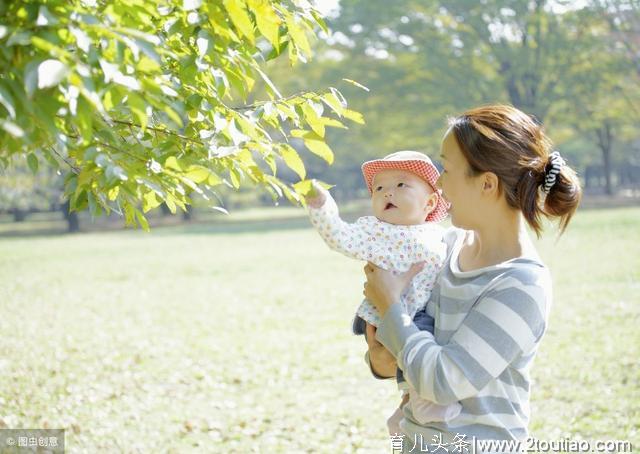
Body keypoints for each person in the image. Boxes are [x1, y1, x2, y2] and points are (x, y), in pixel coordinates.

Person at [362, 105, 582, 452]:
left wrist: (390, 306)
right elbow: (387, 360)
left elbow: (442, 381)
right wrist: (383, 353)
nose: (437, 182)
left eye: (447, 169)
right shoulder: (443, 249)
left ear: (487, 183)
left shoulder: (521, 286)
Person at [304, 151, 462, 435]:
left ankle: (409, 406)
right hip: (387, 315)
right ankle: (415, 405)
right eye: (379, 188)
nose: (388, 192)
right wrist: (321, 206)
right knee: (415, 356)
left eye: (401, 185)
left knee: (426, 352)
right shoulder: (376, 232)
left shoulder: (442, 234)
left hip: (424, 312)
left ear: (429, 202)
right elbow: (340, 237)